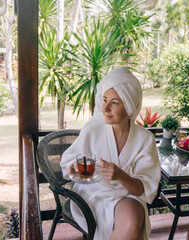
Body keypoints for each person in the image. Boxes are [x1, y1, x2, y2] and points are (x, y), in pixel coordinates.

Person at [60, 68, 161, 240]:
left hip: (127, 193)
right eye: (104, 100)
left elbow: (143, 189)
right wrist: (74, 168)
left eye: (114, 102)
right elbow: (69, 163)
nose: (105, 108)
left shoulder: (145, 139)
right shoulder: (92, 130)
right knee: (132, 231)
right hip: (94, 192)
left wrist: (120, 175)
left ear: (129, 105)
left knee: (133, 220)